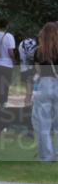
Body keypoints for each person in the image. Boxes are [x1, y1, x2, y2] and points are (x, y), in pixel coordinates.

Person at [31, 22, 58, 162]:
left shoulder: (38, 51)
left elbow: (38, 72)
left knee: (43, 124)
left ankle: (46, 156)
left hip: (44, 85)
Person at [18, 33, 38, 106]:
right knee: (34, 92)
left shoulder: (21, 44)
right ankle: (30, 110)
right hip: (32, 69)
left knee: (28, 93)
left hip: (23, 69)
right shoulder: (34, 43)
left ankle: (26, 108)